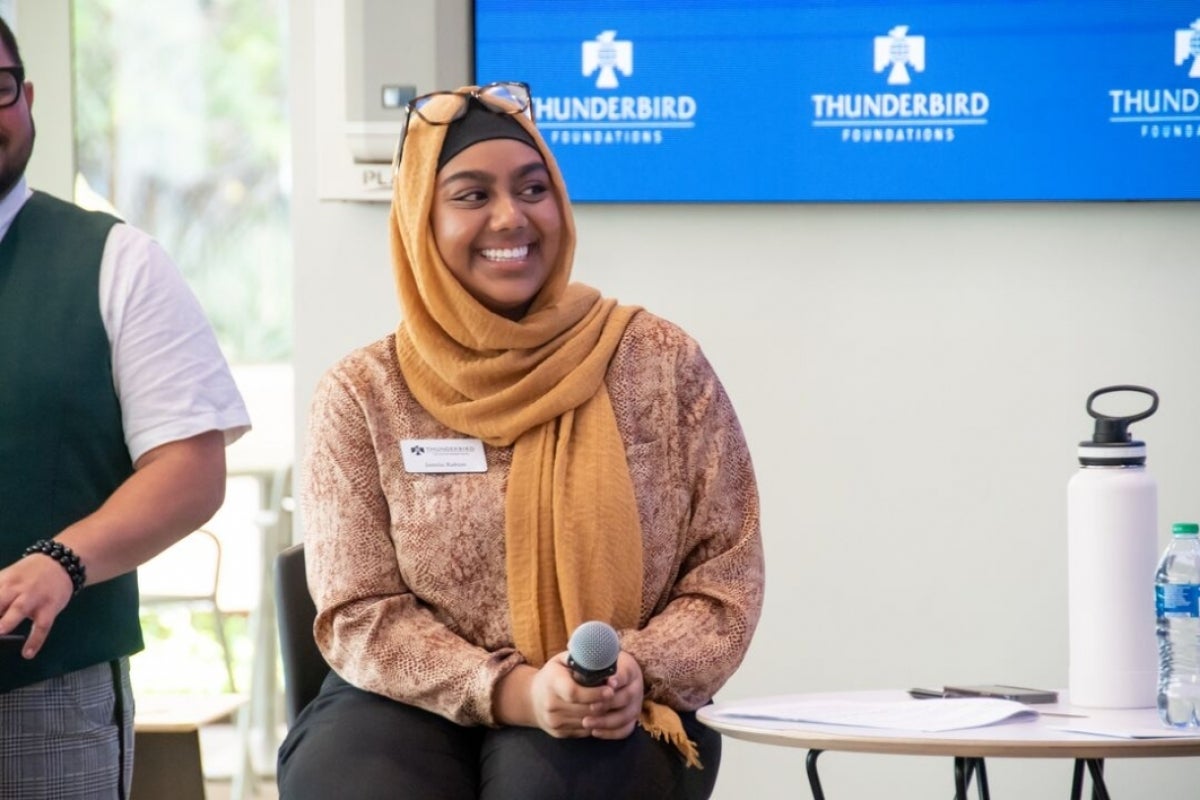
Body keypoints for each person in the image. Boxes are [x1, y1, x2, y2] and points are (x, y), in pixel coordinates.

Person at [277, 81, 764, 800]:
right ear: (420, 220)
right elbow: (358, 611)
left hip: (610, 704)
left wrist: (638, 668)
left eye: (532, 188)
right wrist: (513, 691)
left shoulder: (660, 366)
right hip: (400, 703)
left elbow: (724, 577)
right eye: (471, 195)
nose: (512, 218)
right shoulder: (364, 393)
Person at [0, 18, 251, 800]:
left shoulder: (114, 262)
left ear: (28, 98)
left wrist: (63, 561)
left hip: (40, 693)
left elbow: (190, 468)